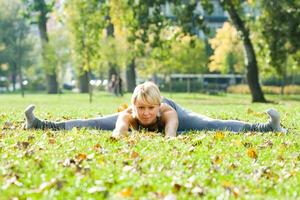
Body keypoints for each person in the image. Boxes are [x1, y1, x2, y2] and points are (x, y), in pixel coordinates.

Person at [24, 81, 286, 138]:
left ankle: (266, 127)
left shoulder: (165, 112)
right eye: (141, 108)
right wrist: (125, 133)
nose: (146, 113)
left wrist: (168, 134)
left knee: (208, 122)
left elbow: (170, 136)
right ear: (134, 106)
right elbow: (117, 134)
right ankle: (39, 124)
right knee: (92, 121)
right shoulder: (129, 114)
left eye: (150, 108)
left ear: (156, 107)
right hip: (130, 115)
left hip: (175, 112)